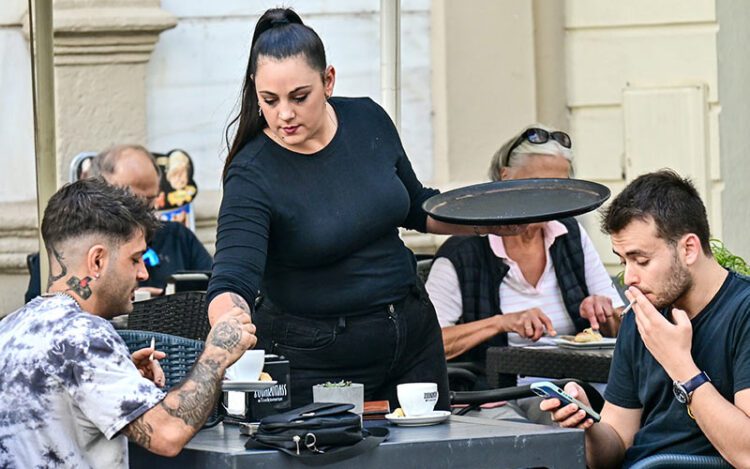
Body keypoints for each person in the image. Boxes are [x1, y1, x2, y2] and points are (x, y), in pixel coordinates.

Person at [206, 7, 525, 410]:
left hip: (412, 336)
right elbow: (232, 275)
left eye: (299, 97)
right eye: (269, 100)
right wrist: (227, 321)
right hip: (316, 358)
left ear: (329, 80)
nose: (284, 113)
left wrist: (487, 222)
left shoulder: (368, 118)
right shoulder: (252, 173)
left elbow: (416, 206)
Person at [0, 178, 256, 467]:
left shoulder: (9, 328)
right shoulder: (85, 336)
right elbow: (167, 434)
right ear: (97, 261)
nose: (144, 273)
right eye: (135, 259)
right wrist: (217, 353)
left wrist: (122, 379)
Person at [539, 170, 750, 468]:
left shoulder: (744, 312)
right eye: (623, 260)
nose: (630, 278)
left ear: (688, 248)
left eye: (641, 260)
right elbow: (616, 446)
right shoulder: (643, 314)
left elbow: (747, 453)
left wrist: (680, 365)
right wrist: (587, 426)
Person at [425, 124, 624, 421]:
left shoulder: (570, 236)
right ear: (505, 178)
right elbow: (429, 344)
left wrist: (606, 315)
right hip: (496, 394)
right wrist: (501, 323)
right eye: (537, 185)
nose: (547, 199)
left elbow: (623, 330)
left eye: (559, 188)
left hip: (573, 385)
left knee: (603, 417)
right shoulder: (462, 253)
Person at [24, 144, 213, 302]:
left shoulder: (178, 238)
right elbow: (43, 308)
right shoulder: (70, 243)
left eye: (152, 198)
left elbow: (214, 286)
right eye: (133, 199)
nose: (147, 209)